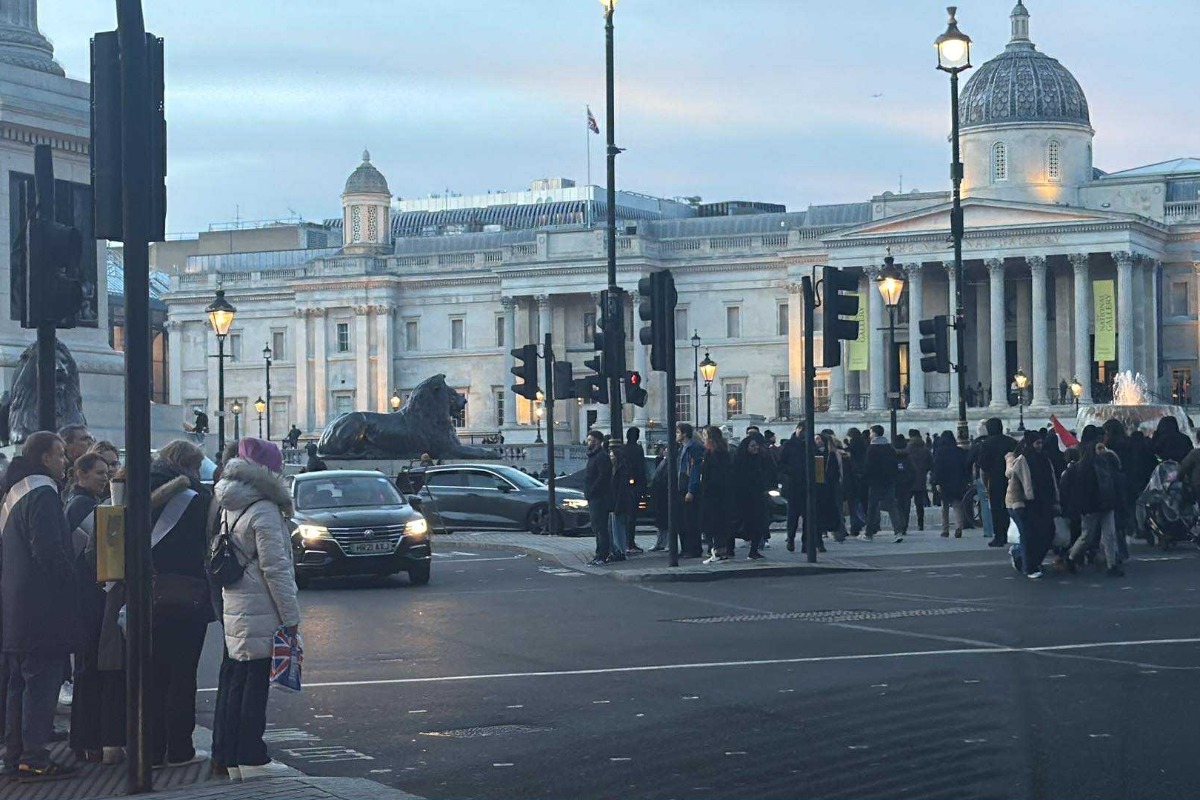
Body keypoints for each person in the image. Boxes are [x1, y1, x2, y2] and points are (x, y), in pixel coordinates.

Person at [212, 438, 301, 781]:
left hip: (236, 600)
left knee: (238, 678)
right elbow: (275, 568)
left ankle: (233, 756)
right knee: (254, 684)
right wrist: (290, 616)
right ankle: (252, 756)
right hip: (261, 604)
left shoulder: (230, 502)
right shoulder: (263, 509)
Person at [1, 432, 78, 781]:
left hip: (15, 605)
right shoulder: (43, 493)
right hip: (40, 607)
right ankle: (34, 756)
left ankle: (16, 753)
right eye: (61, 455)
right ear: (45, 458)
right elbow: (48, 552)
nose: (66, 462)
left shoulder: (14, 492)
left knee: (19, 684)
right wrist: (69, 585)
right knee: (41, 682)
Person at [148, 441, 214, 767]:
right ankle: (179, 748)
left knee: (153, 672)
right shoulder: (198, 499)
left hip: (147, 592)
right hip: (187, 592)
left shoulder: (136, 490)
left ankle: (151, 747)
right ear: (189, 467)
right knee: (183, 673)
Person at [66, 452, 126, 765]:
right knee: (92, 670)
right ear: (81, 474)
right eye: (99, 472)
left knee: (88, 670)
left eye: (108, 471)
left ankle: (84, 739)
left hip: (85, 597)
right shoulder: (84, 506)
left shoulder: (78, 502)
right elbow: (99, 551)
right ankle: (89, 739)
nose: (105, 477)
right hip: (91, 597)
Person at [1068, 429, 1125, 577]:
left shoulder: (1106, 461)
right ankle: (1071, 558)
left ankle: (1111, 565)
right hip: (1094, 503)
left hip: (1105, 502)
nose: (1101, 448)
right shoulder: (1086, 467)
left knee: (1109, 534)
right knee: (1087, 535)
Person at [1005, 431, 1059, 579]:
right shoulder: (1022, 460)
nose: (1040, 446)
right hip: (1023, 503)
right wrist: (1018, 504)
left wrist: (1055, 501)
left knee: (1048, 533)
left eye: (1041, 443)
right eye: (1037, 443)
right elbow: (1015, 486)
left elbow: (1052, 481)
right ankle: (1028, 567)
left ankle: (1025, 558)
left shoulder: (1044, 459)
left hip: (1042, 502)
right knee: (1029, 535)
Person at [973, 418, 1016, 547]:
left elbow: (983, 464)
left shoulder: (986, 443)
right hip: (1011, 478)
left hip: (995, 479)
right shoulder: (1011, 442)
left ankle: (999, 536)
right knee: (1011, 506)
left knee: (997, 509)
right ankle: (1010, 532)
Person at [734, 432, 773, 559]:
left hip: (759, 496)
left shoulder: (761, 459)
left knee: (759, 524)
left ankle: (754, 550)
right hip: (744, 497)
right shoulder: (740, 461)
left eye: (756, 445)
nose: (756, 448)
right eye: (752, 446)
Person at [699, 426, 734, 563]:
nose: (703, 438)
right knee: (720, 524)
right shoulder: (724, 452)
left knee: (712, 524)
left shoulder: (710, 453)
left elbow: (708, 475)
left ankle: (717, 552)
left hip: (712, 494)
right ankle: (721, 551)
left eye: (705, 435)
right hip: (723, 493)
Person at [863, 425, 902, 542]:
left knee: (872, 508)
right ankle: (898, 531)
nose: (870, 435)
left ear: (874, 434)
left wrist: (866, 478)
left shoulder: (872, 449)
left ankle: (869, 533)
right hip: (889, 481)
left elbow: (868, 467)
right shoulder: (889, 448)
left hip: (875, 482)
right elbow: (895, 464)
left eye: (871, 433)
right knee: (892, 507)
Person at [583, 430, 614, 566]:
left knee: (600, 527)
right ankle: (599, 553)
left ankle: (603, 555)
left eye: (590, 440)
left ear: (596, 441)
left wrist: (592, 490)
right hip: (594, 497)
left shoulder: (601, 456)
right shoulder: (593, 456)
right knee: (596, 527)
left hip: (599, 497)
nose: (588, 442)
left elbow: (603, 477)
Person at [931, 431, 970, 538]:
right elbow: (965, 468)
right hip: (957, 482)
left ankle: (945, 529)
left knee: (945, 507)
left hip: (944, 482)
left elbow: (937, 469)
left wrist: (936, 482)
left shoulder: (940, 452)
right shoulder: (960, 451)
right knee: (957, 505)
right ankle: (959, 526)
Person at [779, 423, 807, 552]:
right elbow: (781, 464)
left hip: (806, 485)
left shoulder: (808, 444)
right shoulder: (788, 445)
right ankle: (790, 538)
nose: (802, 432)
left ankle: (806, 542)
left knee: (808, 516)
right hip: (793, 485)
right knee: (792, 516)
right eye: (800, 429)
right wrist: (789, 473)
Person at [810, 432, 843, 546]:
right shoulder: (811, 452)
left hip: (829, 486)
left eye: (819, 439)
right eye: (815, 439)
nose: (817, 441)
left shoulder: (830, 454)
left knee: (832, 511)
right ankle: (819, 539)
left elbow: (836, 470)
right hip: (817, 488)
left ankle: (836, 533)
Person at [677, 423, 703, 558]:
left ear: (684, 434)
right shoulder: (682, 448)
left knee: (691, 521)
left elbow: (695, 470)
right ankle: (686, 548)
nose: (676, 435)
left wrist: (691, 490)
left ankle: (694, 549)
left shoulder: (694, 448)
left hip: (688, 487)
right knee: (682, 521)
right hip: (681, 487)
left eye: (678, 432)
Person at [609, 445, 636, 559]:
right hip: (618, 501)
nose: (610, 458)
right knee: (617, 526)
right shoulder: (619, 469)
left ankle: (620, 550)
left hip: (620, 502)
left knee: (619, 527)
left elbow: (621, 489)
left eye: (612, 456)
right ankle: (619, 549)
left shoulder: (621, 470)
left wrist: (617, 504)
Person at [622, 428, 646, 554]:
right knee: (632, 517)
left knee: (626, 517)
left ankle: (626, 542)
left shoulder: (623, 449)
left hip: (626, 486)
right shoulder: (637, 449)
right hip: (635, 486)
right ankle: (630, 543)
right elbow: (642, 469)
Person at [845, 428, 868, 537]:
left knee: (853, 505)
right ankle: (868, 524)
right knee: (864, 503)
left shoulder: (850, 449)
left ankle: (855, 527)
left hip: (852, 479)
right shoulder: (865, 446)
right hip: (864, 478)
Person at [906, 429, 932, 531]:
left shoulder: (908, 448)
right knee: (919, 503)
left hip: (909, 479)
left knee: (906, 503)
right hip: (921, 478)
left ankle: (904, 524)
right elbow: (930, 463)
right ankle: (920, 524)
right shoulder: (925, 449)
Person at [892, 435, 916, 541]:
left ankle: (898, 526)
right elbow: (913, 471)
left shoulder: (892, 457)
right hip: (906, 485)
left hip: (895, 485)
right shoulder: (908, 457)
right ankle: (904, 525)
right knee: (905, 506)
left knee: (896, 506)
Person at [649, 444, 669, 552]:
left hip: (665, 494)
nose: (665, 451)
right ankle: (660, 542)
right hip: (660, 494)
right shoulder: (662, 461)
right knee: (660, 522)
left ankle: (666, 543)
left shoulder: (669, 463)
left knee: (666, 521)